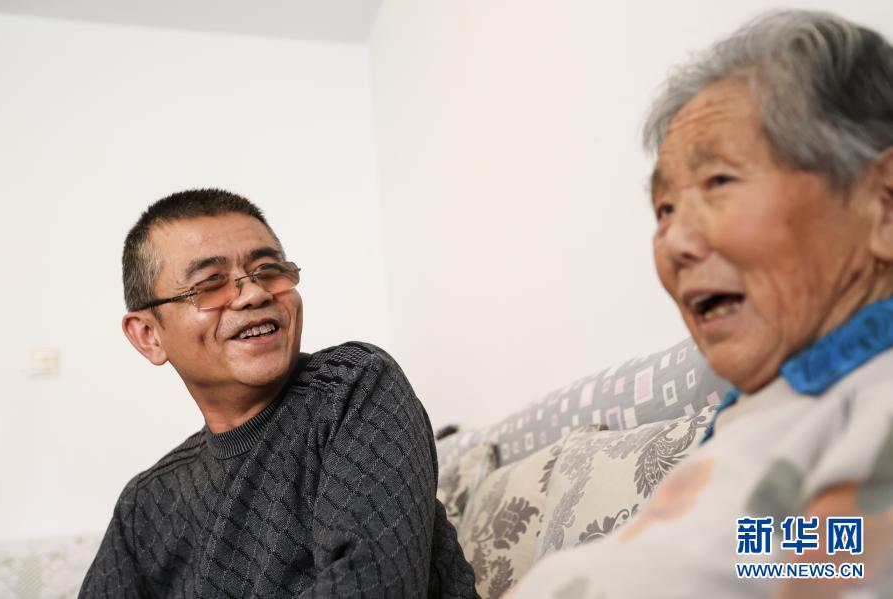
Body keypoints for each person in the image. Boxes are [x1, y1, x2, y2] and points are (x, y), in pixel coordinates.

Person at [509, 10, 893, 598]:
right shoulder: (769, 409)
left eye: (719, 182)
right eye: (664, 209)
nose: (675, 243)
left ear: (883, 206)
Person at [80, 189, 478, 598]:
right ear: (149, 335)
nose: (255, 294)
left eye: (268, 270)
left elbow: (372, 587)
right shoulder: (145, 506)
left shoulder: (351, 390)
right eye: (211, 283)